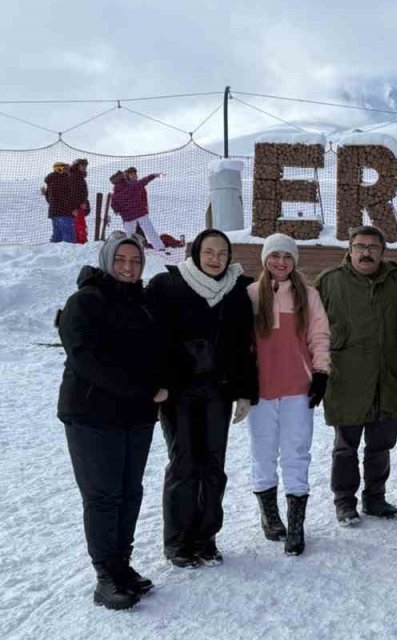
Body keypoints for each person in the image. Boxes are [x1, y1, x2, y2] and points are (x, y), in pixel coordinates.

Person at [58, 232, 166, 609]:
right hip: (92, 416)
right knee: (103, 496)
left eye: (135, 261)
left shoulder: (143, 302)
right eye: (120, 259)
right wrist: (144, 389)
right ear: (107, 260)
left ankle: (122, 564)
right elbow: (87, 360)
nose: (128, 267)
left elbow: (160, 351)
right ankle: (105, 576)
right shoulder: (85, 301)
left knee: (130, 492)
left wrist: (168, 380)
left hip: (136, 417)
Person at [147, 228, 257, 568]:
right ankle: (178, 541)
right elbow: (152, 338)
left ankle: (205, 537)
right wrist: (158, 382)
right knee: (184, 464)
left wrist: (245, 391)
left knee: (213, 464)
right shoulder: (168, 285)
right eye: (209, 252)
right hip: (178, 391)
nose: (215, 259)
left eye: (222, 253)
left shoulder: (236, 291)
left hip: (217, 390)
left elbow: (244, 345)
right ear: (196, 253)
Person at [316, 225, 397, 527]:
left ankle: (375, 497)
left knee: (381, 445)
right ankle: (345, 502)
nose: (366, 252)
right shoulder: (329, 282)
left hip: (387, 379)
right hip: (346, 379)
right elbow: (312, 330)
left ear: (383, 252)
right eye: (360, 246)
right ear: (350, 249)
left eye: (372, 247)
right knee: (346, 447)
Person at [245, 234, 330, 556]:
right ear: (265, 259)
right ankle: (270, 517)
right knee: (263, 453)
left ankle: (296, 525)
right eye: (274, 256)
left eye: (287, 257)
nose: (280, 262)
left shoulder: (308, 295)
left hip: (297, 388)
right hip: (261, 390)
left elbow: (319, 335)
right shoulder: (252, 294)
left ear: (294, 261)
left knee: (296, 453)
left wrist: (320, 372)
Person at [109, 168, 163, 249]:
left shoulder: (115, 195)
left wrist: (120, 211)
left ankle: (128, 249)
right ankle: (160, 248)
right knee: (150, 231)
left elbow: (115, 207)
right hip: (141, 213)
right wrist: (153, 176)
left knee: (129, 235)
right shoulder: (132, 185)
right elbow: (143, 181)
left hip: (128, 217)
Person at [45, 158, 88, 243]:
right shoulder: (63, 179)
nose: (68, 170)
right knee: (69, 237)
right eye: (65, 168)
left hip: (54, 212)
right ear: (59, 169)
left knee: (57, 236)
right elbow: (66, 196)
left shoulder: (52, 180)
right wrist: (73, 208)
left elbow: (49, 198)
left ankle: (52, 250)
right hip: (65, 212)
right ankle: (69, 251)